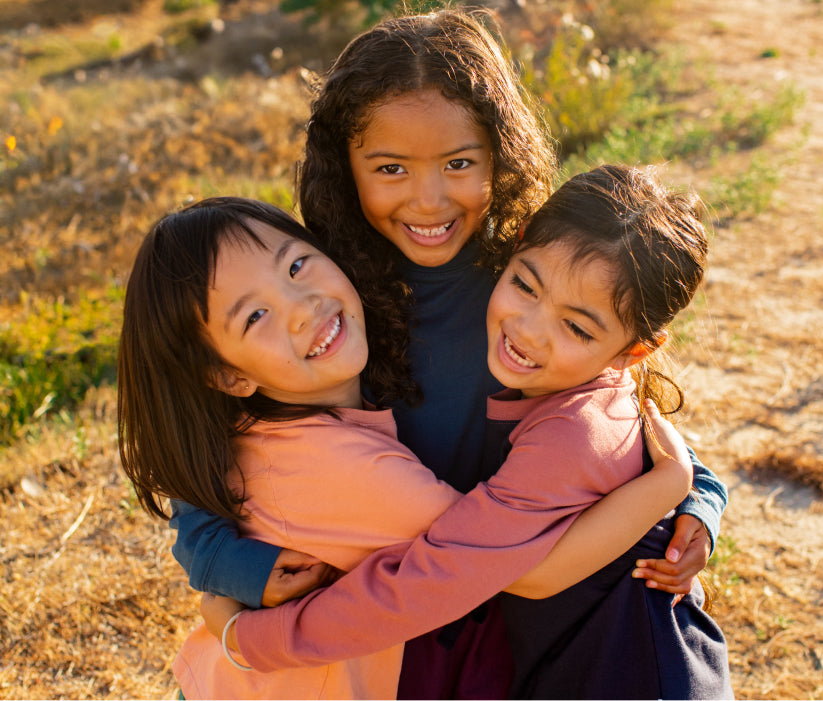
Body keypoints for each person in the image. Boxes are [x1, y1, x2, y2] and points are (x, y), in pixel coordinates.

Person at [169, 8, 728, 697]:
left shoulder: (526, 285)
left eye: (460, 163)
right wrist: (233, 567)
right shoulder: (329, 305)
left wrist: (699, 496)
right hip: (410, 619)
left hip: (532, 606)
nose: (429, 199)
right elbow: (209, 465)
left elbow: (622, 411)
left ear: (502, 155)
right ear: (345, 166)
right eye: (391, 168)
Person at [117, 196, 694, 700]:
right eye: (257, 315)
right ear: (227, 375)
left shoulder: (266, 425)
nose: (301, 307)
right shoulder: (347, 471)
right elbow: (517, 568)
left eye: (296, 265)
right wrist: (672, 485)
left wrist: (701, 497)